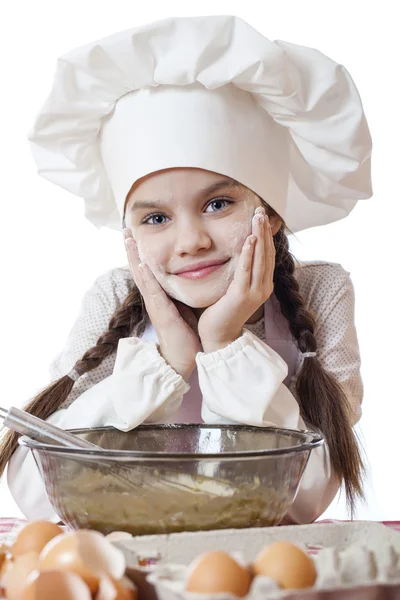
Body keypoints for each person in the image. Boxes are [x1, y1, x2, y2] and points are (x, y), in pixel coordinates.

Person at [0, 15, 372, 524]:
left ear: (273, 209)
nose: (191, 241)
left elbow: (305, 497)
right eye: (156, 218)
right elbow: (39, 493)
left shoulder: (321, 291)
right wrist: (168, 364)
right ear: (129, 235)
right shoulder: (113, 297)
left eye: (218, 204)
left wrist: (225, 342)